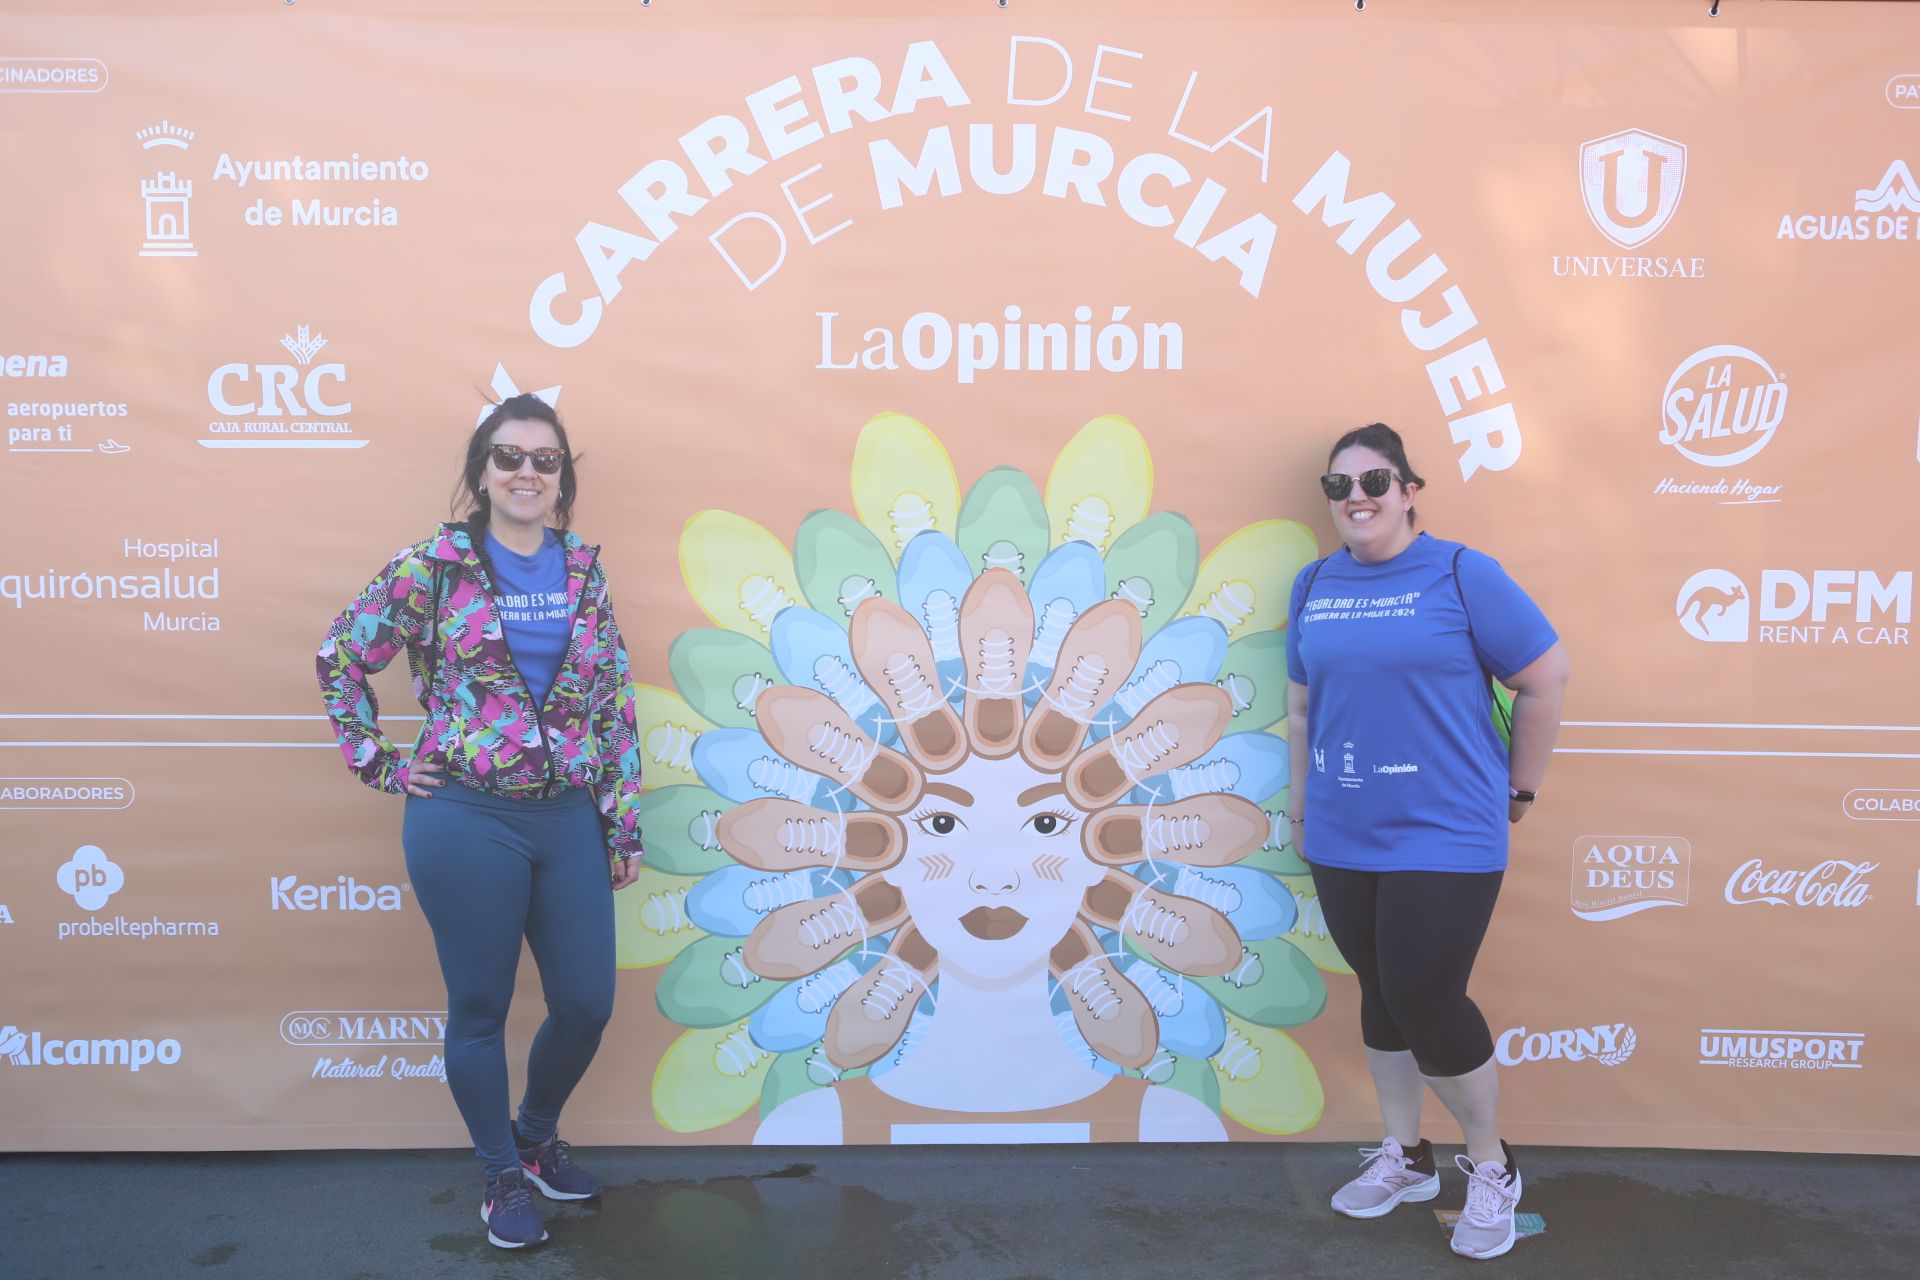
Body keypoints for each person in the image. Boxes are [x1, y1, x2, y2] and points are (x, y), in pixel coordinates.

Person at [317, 394, 644, 1249]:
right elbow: (342, 655)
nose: (527, 473)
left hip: (568, 815)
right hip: (465, 819)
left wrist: (621, 820)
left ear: (562, 476)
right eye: (509, 457)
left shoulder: (583, 570)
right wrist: (380, 761)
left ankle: (535, 1136)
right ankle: (500, 1174)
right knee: (479, 1006)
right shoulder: (435, 565)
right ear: (481, 472)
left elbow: (610, 701)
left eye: (545, 460)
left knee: (585, 1003)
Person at [1284, 423, 1569, 1261]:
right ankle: (1407, 1157)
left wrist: (1520, 787)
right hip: (1343, 831)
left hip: (1445, 829)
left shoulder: (1460, 572)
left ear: (1410, 490)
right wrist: (1304, 815)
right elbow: (1302, 711)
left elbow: (1545, 677)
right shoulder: (1313, 584)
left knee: (1424, 993)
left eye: (1375, 481)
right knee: (1379, 988)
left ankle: (1492, 1164)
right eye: (1339, 487)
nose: (1357, 498)